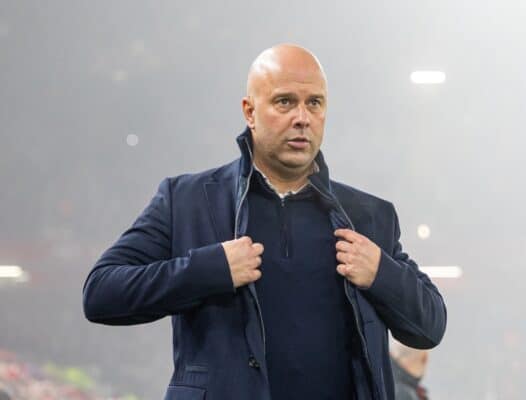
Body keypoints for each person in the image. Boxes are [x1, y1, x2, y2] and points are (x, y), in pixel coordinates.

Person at [82, 44, 447, 400]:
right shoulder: (188, 200)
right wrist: (210, 269)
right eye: (284, 101)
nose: (302, 117)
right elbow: (101, 292)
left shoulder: (369, 215)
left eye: (314, 103)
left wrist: (381, 272)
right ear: (249, 111)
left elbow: (430, 326)